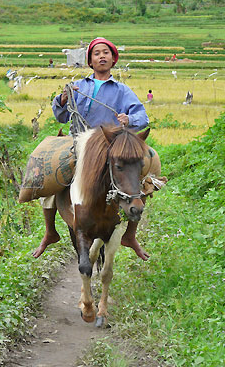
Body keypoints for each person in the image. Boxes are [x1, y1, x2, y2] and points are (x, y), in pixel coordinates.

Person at [33, 37, 150, 261]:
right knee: (50, 172)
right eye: (96, 53)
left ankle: (131, 235)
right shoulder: (79, 86)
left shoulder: (122, 90)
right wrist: (62, 99)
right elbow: (61, 116)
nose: (101, 56)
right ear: (90, 60)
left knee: (141, 176)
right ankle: (50, 232)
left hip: (109, 145)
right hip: (78, 143)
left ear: (113, 59)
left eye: (106, 52)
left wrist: (128, 119)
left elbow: (142, 117)